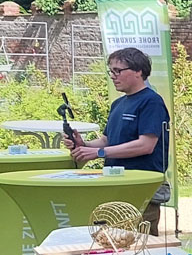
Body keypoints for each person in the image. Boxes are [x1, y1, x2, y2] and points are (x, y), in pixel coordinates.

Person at [71, 46, 173, 231]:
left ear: (138, 71)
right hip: (116, 186)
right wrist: (83, 144)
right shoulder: (118, 104)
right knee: (113, 241)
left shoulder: (151, 102)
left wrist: (99, 153)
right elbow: (106, 140)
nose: (113, 76)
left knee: (141, 243)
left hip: (141, 188)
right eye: (111, 71)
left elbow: (146, 145)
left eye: (118, 71)